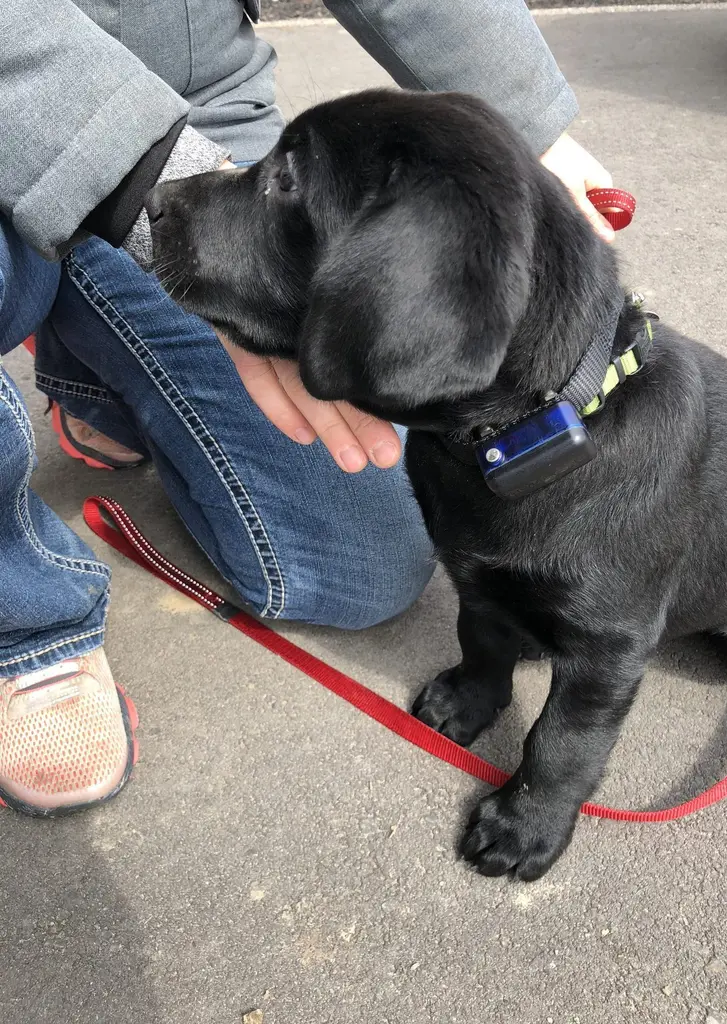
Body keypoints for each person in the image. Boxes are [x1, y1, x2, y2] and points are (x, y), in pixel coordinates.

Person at [0, 0, 614, 817]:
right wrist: (123, 165)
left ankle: (90, 360)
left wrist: (523, 125)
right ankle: (24, 616)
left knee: (359, 571)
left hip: (195, 104)